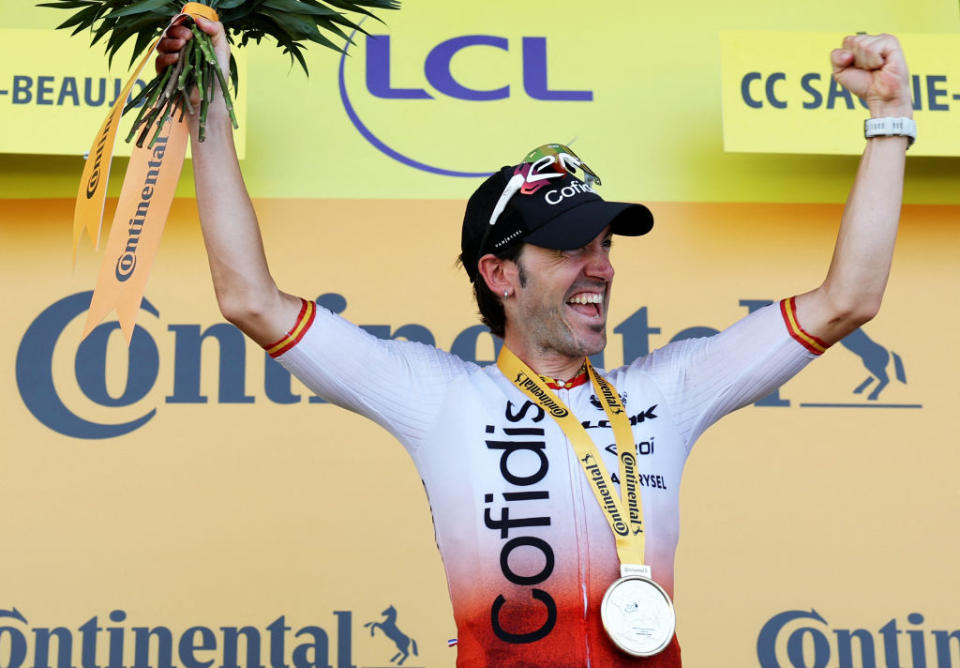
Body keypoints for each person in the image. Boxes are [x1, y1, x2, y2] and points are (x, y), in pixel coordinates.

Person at [158, 20, 912, 667]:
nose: (601, 268)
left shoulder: (667, 393)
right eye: (567, 248)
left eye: (606, 244)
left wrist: (888, 120)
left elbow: (848, 300)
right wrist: (210, 112)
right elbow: (251, 300)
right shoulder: (438, 398)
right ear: (500, 274)